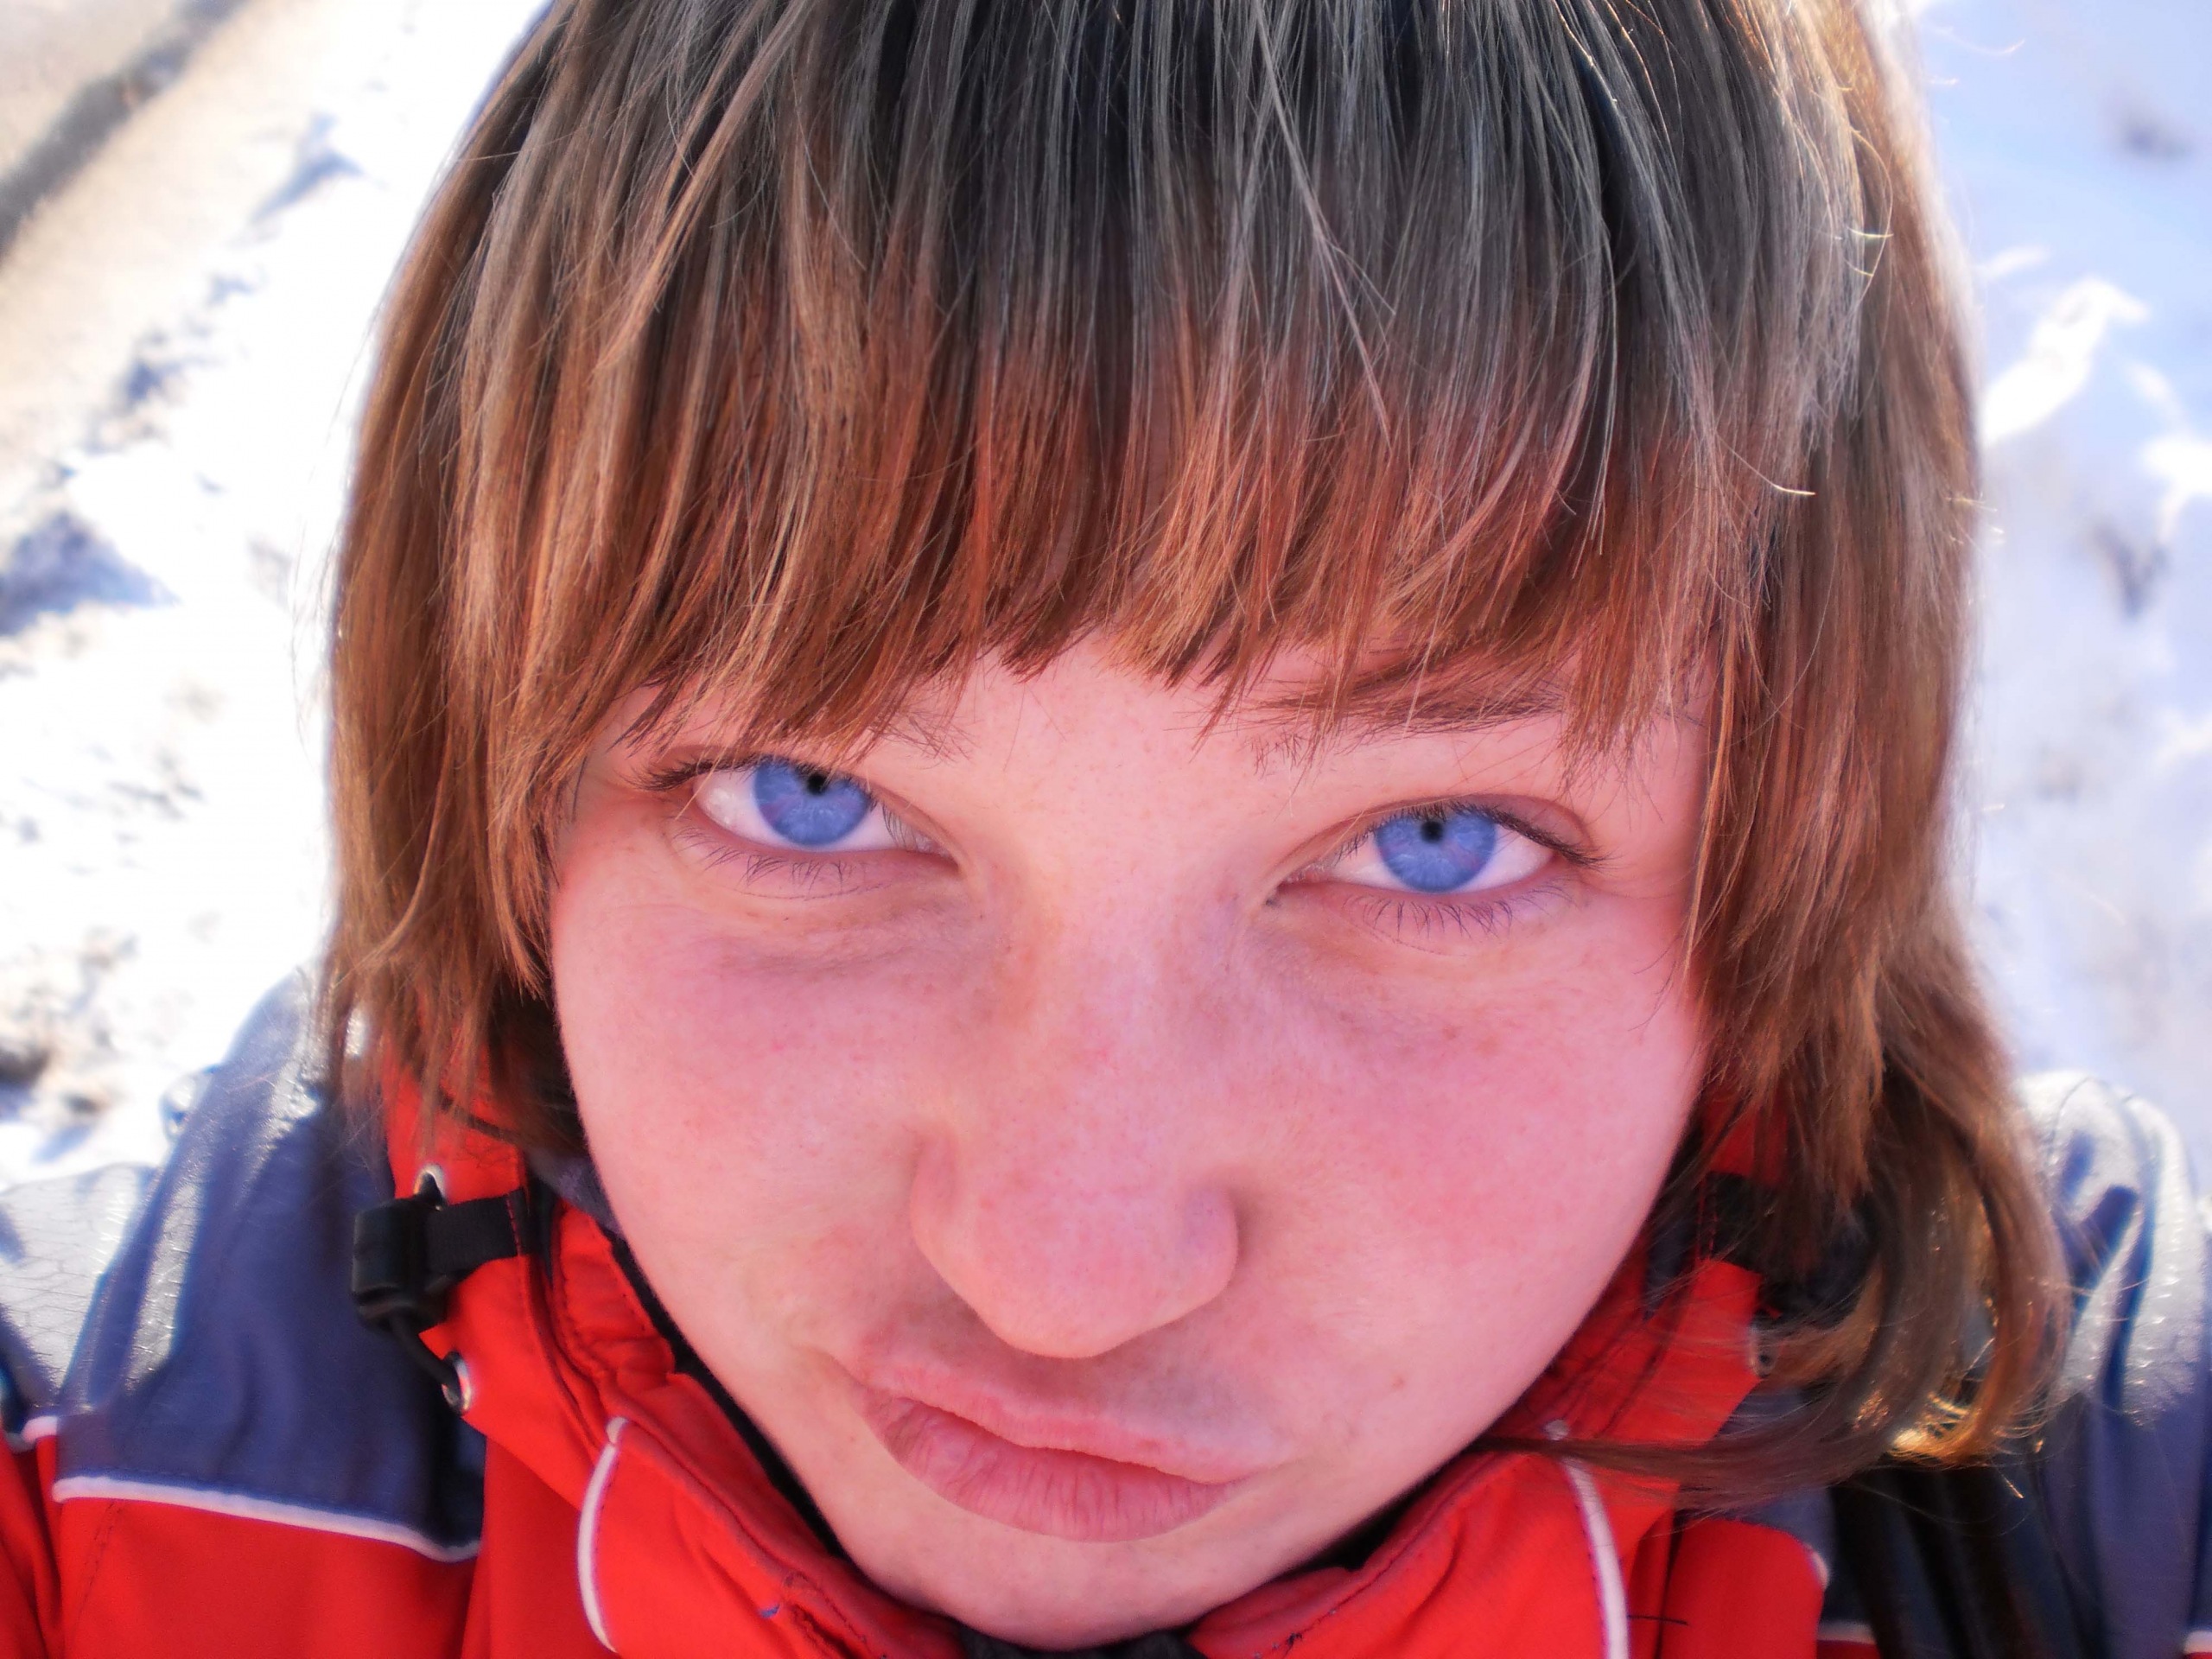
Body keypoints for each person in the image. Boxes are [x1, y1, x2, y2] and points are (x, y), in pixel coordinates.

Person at [0, 0, 2204, 1653]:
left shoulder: (2087, 1503)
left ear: (1795, 847)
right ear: (491, 772)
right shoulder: (102, 1483)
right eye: (813, 801)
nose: (1061, 1274)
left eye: (1435, 842)